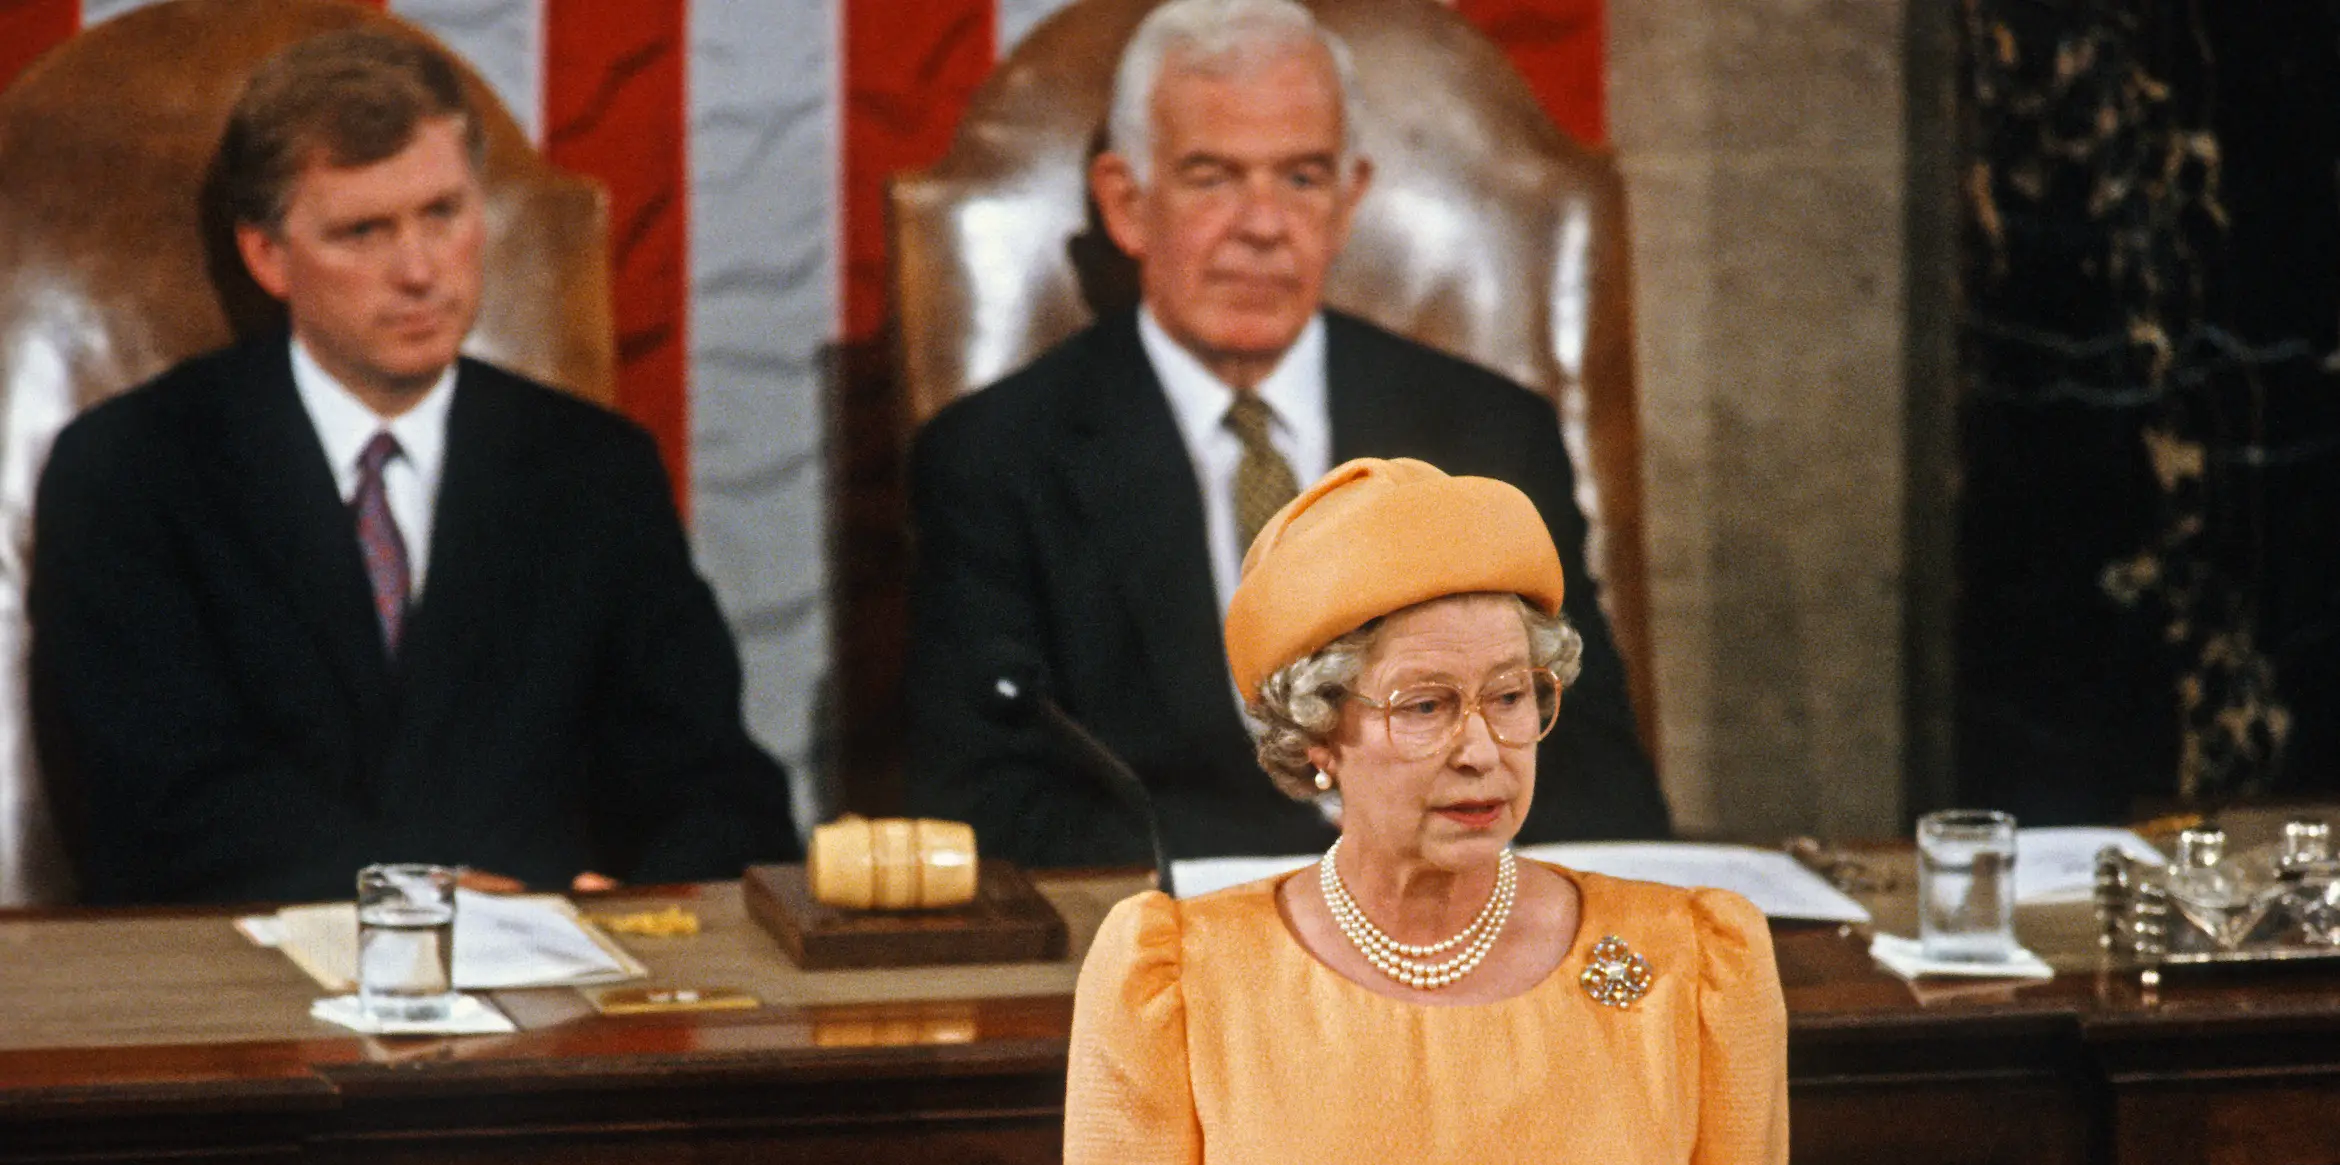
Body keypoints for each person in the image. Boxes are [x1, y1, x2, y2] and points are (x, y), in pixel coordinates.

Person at [1048, 458, 1821, 1165]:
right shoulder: (1178, 974)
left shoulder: (1695, 960)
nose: (1483, 749)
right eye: (1426, 706)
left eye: (1511, 696)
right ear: (1318, 731)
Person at [29, 30, 800, 905]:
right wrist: (424, 896)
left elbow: (712, 783)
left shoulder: (594, 470)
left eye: (443, 213)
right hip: (248, 988)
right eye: (364, 231)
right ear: (268, 255)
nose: (421, 271)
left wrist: (649, 907)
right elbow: (157, 804)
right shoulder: (132, 469)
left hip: (556, 999)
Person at [904, 0, 1669, 867]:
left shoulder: (1490, 436)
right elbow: (980, 804)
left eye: (1301, 179)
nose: (1263, 226)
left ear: (1348, 204)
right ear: (1127, 205)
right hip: (1171, 947)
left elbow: (1599, 782)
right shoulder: (997, 456)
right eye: (1212, 177)